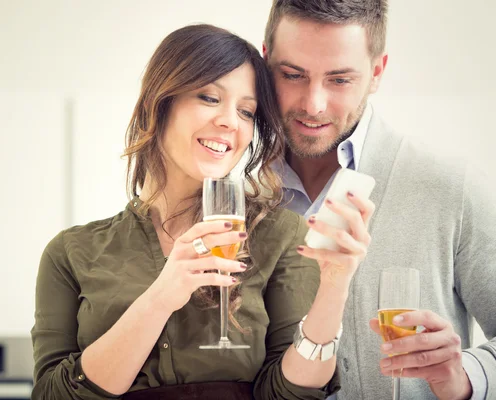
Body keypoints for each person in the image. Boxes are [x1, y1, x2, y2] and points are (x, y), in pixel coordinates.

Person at [31, 23, 375, 399]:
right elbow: (52, 394)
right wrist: (161, 297)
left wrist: (334, 288)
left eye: (246, 111)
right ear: (159, 104)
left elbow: (290, 395)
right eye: (210, 98)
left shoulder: (279, 235)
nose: (230, 121)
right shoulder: (71, 252)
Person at [262, 1, 496, 399]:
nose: (313, 104)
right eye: (292, 74)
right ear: (266, 61)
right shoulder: (232, 193)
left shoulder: (450, 186)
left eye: (339, 80)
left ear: (376, 73)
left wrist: (466, 376)